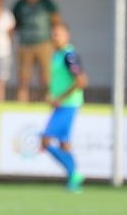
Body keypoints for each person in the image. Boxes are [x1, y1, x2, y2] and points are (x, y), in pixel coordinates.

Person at [41, 22, 87, 193]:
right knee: (64, 143)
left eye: (59, 34)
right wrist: (50, 94)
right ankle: (73, 181)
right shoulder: (57, 55)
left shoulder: (69, 56)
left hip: (68, 105)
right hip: (62, 104)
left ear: (67, 36)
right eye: (53, 34)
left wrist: (60, 98)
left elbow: (81, 81)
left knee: (45, 141)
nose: (55, 37)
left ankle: (74, 172)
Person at [12, 0, 62, 102]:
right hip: (25, 44)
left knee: (47, 77)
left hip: (44, 43)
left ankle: (48, 101)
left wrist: (57, 41)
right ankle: (22, 102)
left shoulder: (46, 2)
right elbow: (14, 24)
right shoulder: (20, 4)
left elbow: (56, 21)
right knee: (23, 78)